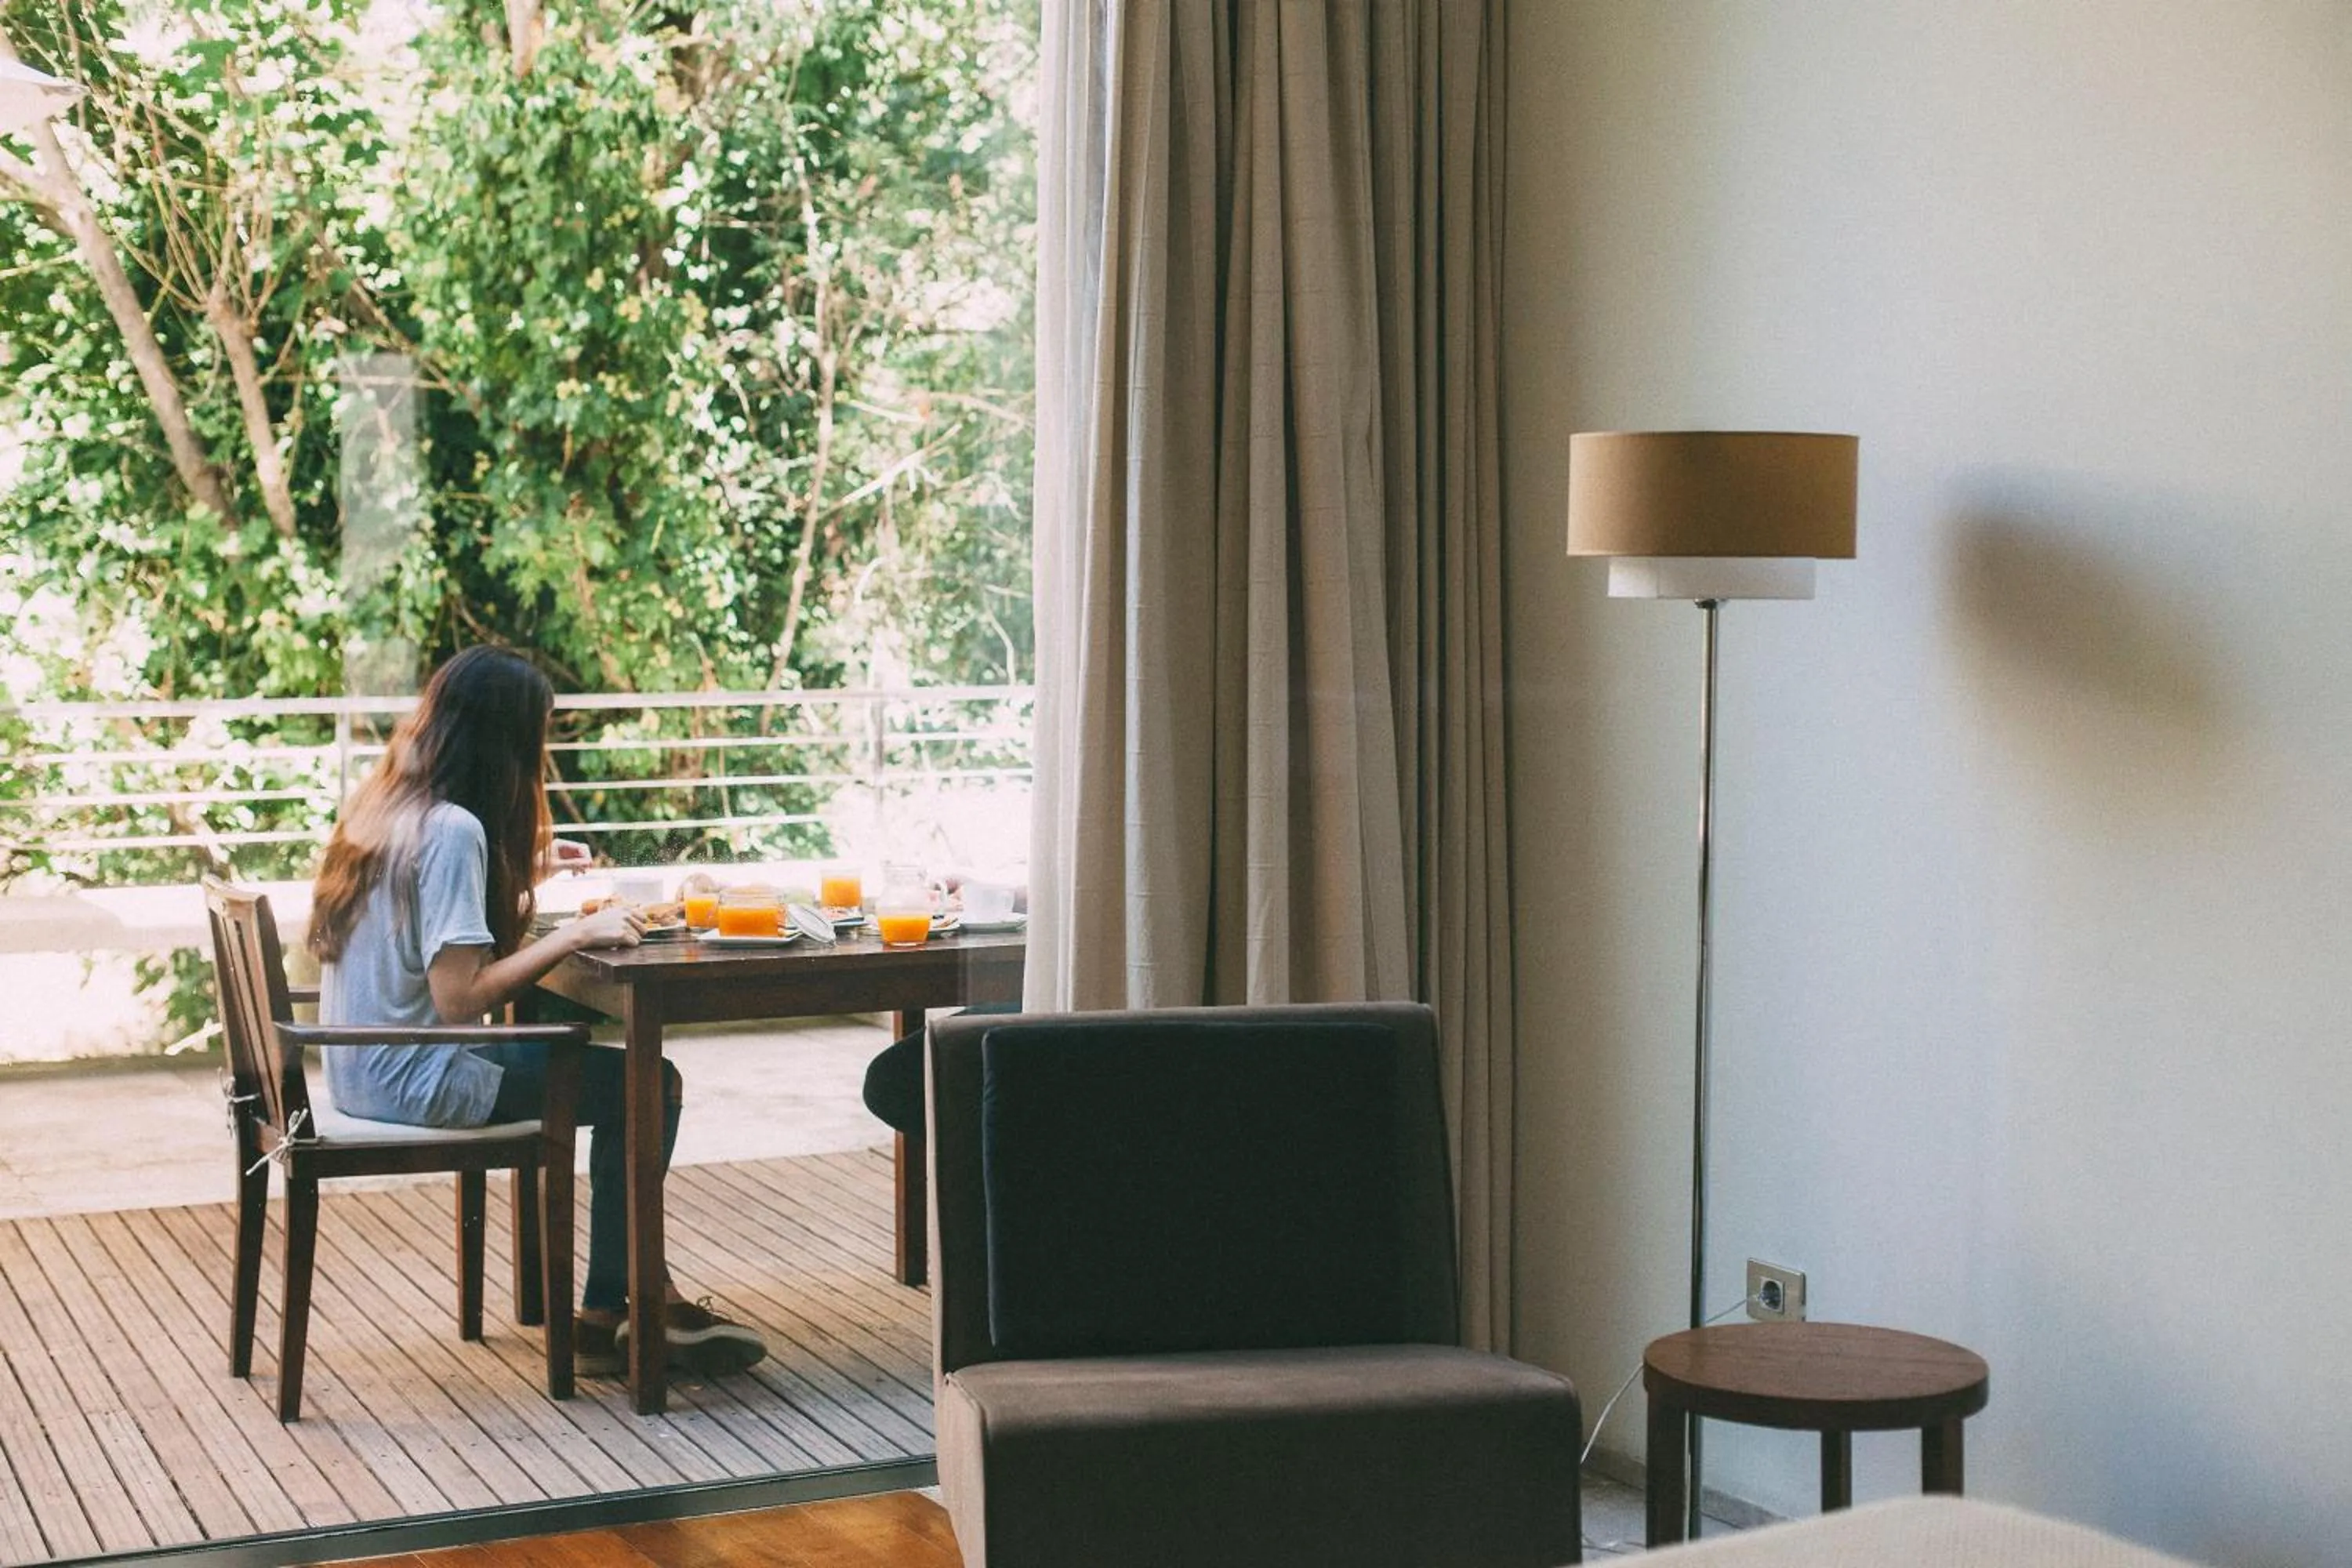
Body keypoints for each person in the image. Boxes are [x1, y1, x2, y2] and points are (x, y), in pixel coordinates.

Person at [307, 646, 764, 1379]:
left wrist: (528, 871)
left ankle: (624, 1305)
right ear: (507, 738)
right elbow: (461, 1000)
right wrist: (580, 933)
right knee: (651, 1083)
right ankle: (617, 1308)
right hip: (420, 1079)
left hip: (359, 1068)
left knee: (606, 1068)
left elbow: (433, 945)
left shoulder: (387, 807)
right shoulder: (454, 829)